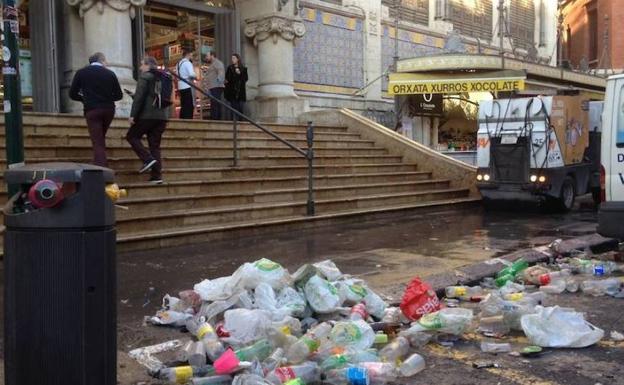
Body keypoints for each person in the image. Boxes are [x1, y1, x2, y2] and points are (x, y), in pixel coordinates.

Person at [69, 52, 123, 167]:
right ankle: (100, 161)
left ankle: (101, 166)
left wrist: (84, 99)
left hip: (92, 109)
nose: (106, 63)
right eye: (106, 61)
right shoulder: (110, 74)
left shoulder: (81, 73)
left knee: (97, 139)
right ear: (102, 61)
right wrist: (107, 98)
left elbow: (72, 93)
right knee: (100, 137)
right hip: (108, 109)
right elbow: (119, 95)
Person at [126, 56, 170, 184]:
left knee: (132, 136)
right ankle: (157, 176)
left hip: (147, 115)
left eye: (142, 65)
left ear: (148, 65)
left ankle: (147, 159)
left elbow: (140, 97)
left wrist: (133, 115)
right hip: (162, 116)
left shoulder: (145, 77)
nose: (140, 68)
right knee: (154, 146)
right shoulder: (165, 77)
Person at [201, 51, 225, 120]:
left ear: (212, 56)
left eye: (207, 56)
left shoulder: (217, 63)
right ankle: (215, 119)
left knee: (215, 104)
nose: (206, 57)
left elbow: (221, 73)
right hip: (213, 87)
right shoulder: (212, 64)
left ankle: (216, 119)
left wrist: (218, 82)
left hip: (216, 87)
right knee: (214, 103)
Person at [177, 48, 197, 119]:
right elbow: (191, 74)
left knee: (183, 105)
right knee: (189, 106)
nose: (192, 56)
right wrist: (195, 76)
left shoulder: (178, 63)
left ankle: (182, 121)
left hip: (180, 86)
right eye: (191, 54)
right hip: (187, 85)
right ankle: (188, 122)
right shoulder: (188, 63)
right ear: (188, 54)